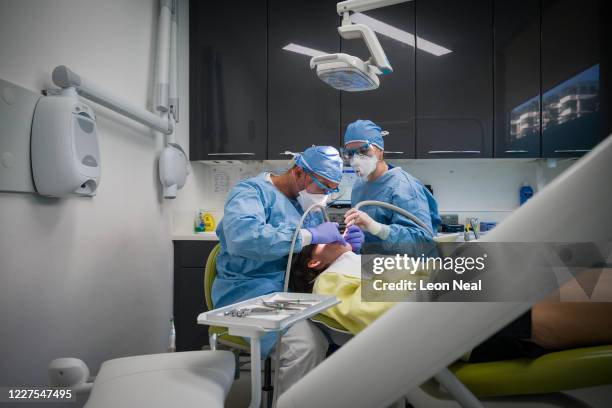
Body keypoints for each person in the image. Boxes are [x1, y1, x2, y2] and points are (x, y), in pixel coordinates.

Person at [292, 242, 612, 362]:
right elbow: (385, 314)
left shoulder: (358, 266)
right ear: (314, 262)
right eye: (325, 239)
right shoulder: (330, 280)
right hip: (468, 320)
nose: (336, 235)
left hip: (471, 299)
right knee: (580, 290)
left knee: (583, 281)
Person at [212, 145, 364, 395]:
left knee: (357, 334)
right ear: (299, 172)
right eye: (322, 187)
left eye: (331, 190)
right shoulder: (251, 193)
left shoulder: (308, 206)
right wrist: (308, 235)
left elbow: (312, 253)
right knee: (305, 347)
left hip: (298, 293)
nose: (324, 196)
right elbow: (243, 238)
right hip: (249, 292)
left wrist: (349, 246)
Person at [342, 120, 441, 251]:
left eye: (363, 150)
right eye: (350, 153)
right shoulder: (359, 185)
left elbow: (422, 242)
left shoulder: (404, 187)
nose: (356, 159)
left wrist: (375, 227)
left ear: (380, 150)